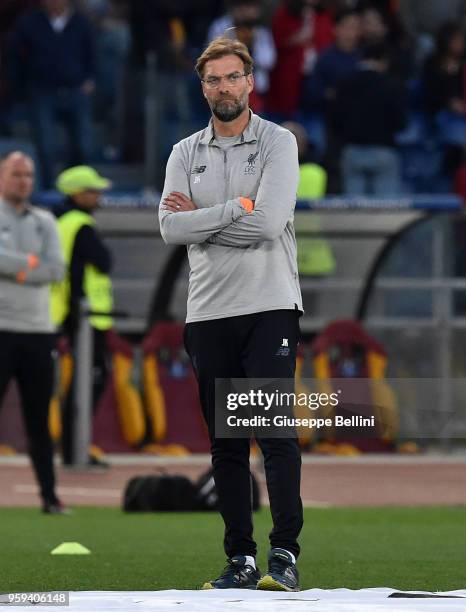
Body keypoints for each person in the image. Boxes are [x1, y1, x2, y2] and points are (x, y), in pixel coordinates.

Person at [159, 36, 303, 591]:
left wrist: (206, 219)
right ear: (204, 88)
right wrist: (234, 210)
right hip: (209, 309)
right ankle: (240, 560)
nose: (224, 87)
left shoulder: (278, 143)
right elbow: (170, 227)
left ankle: (284, 553)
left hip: (268, 305)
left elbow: (268, 224)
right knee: (225, 442)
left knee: (273, 435)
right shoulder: (183, 152)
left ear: (249, 82)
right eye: (213, 79)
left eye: (232, 77)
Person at [0, 151, 67, 513]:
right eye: (16, 174)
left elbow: (56, 269)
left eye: (28, 175)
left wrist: (14, 266)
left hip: (38, 332)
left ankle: (50, 497)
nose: (23, 181)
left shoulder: (45, 220)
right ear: (1, 177)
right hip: (1, 328)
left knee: (39, 420)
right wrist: (29, 264)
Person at [51, 165, 113, 467]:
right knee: (89, 382)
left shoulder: (60, 222)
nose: (98, 195)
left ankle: (71, 446)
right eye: (92, 190)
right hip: (86, 318)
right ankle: (75, 448)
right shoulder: (81, 225)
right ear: (77, 194)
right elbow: (104, 262)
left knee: (80, 382)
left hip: (68, 313)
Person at [6, 0, 96, 188]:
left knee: (83, 146)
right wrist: (23, 87)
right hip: (42, 90)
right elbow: (15, 56)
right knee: (45, 147)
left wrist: (90, 79)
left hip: (75, 89)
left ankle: (76, 188)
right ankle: (48, 190)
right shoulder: (29, 22)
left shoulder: (81, 22)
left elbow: (93, 53)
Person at [334, 43, 406, 195]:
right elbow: (401, 123)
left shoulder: (345, 83)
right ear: (384, 61)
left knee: (354, 211)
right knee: (385, 212)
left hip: (352, 151)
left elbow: (335, 120)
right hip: (383, 152)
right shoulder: (391, 85)